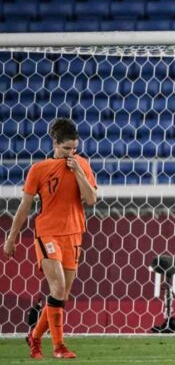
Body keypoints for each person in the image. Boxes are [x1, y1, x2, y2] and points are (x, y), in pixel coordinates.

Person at [3, 118, 97, 359]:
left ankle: (34, 337)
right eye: (66, 149)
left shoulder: (82, 165)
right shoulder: (39, 169)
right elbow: (24, 206)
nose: (71, 153)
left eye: (74, 148)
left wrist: (78, 172)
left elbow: (91, 199)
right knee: (57, 287)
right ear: (54, 143)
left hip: (74, 233)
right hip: (48, 232)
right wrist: (11, 237)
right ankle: (59, 346)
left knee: (62, 295)